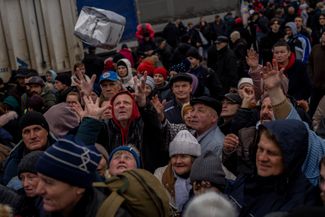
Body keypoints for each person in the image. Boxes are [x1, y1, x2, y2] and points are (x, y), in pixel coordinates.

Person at [227, 119, 321, 217]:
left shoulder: (303, 202)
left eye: (271, 153)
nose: (262, 158)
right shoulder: (249, 176)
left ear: (290, 157)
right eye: (260, 149)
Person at [35, 136, 129, 217]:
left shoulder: (113, 214)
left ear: (79, 187)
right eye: (39, 179)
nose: (38, 190)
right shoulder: (47, 208)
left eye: (49, 182)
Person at [1, 111, 56, 185]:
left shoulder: (62, 155)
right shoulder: (14, 162)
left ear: (46, 132)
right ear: (22, 137)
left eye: (37, 129)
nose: (32, 136)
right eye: (26, 132)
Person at [154, 130, 201, 214]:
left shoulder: (205, 176)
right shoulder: (160, 176)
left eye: (183, 156)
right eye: (174, 156)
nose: (178, 161)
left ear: (194, 159)